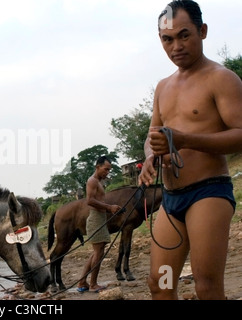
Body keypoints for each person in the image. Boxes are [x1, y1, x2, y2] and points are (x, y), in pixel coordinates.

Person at [138, 0, 242, 300]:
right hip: (172, 201)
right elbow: (152, 134)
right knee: (161, 283)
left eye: (184, 35)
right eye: (167, 40)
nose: (176, 46)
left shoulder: (220, 78)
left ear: (202, 31)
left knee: (206, 285)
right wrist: (150, 157)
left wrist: (185, 140)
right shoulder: (163, 87)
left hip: (207, 193)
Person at [77, 156, 122, 293]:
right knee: (98, 252)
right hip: (95, 218)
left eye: (109, 170)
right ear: (97, 167)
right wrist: (109, 208)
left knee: (97, 252)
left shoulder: (98, 181)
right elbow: (89, 201)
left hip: (100, 218)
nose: (107, 172)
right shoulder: (92, 181)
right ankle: (93, 284)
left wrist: (111, 209)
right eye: (106, 169)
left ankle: (82, 282)